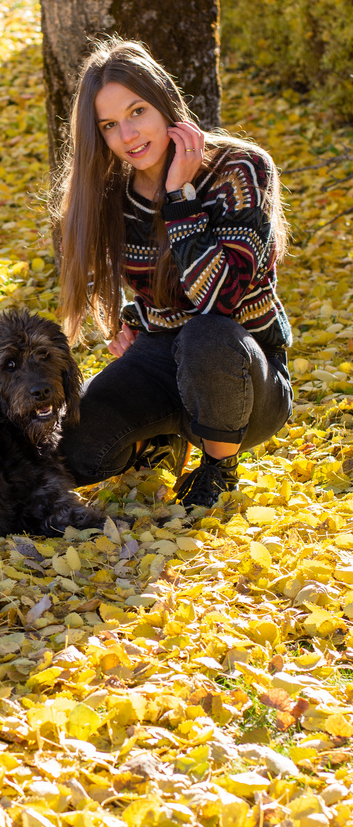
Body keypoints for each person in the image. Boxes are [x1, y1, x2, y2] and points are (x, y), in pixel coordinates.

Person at [54, 37, 293, 508]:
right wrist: (132, 318)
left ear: (164, 101)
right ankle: (160, 441)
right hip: (163, 359)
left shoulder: (239, 168)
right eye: (109, 125)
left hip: (242, 372)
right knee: (73, 452)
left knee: (205, 336)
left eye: (137, 111)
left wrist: (180, 197)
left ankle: (218, 465)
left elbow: (219, 302)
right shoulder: (113, 195)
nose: (128, 135)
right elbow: (155, 287)